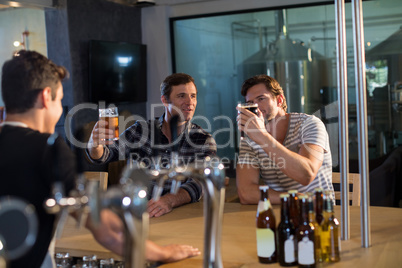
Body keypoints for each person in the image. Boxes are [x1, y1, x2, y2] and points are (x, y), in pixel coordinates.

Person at [0, 50, 200, 267]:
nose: (59, 110)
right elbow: (106, 230)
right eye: (60, 100)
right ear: (46, 97)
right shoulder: (48, 150)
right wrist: (163, 253)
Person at [87, 73, 217, 217]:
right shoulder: (141, 130)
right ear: (164, 100)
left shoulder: (203, 140)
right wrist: (95, 145)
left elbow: (200, 183)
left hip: (179, 216)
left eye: (193, 96)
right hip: (139, 213)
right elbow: (104, 156)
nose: (190, 102)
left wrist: (169, 200)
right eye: (181, 96)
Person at [236, 74, 334, 205]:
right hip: (282, 214)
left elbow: (306, 174)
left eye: (261, 99)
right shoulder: (250, 138)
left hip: (318, 213)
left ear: (279, 100)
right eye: (250, 103)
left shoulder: (309, 124)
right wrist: (292, 198)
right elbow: (246, 193)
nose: (256, 107)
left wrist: (262, 136)